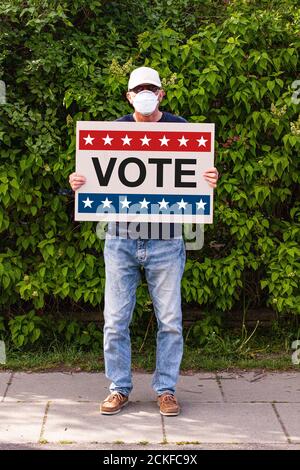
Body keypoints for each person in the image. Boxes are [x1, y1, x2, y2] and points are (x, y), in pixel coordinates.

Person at [69, 66, 219, 416]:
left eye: (152, 88)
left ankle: (166, 389)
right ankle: (119, 388)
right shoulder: (112, 132)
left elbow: (196, 178)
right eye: (140, 89)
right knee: (115, 320)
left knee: (170, 321)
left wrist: (210, 178)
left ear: (162, 94)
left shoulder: (182, 130)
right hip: (120, 238)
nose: (146, 93)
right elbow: (94, 177)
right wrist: (79, 181)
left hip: (166, 241)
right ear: (129, 95)